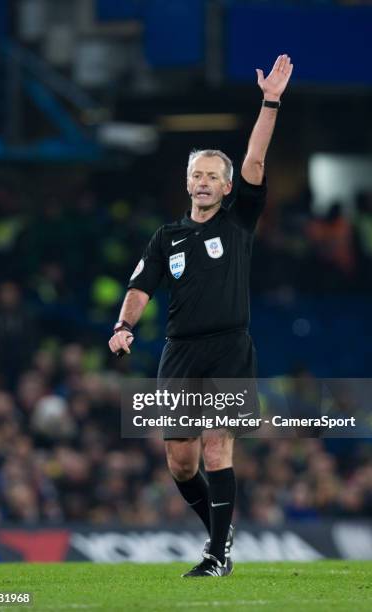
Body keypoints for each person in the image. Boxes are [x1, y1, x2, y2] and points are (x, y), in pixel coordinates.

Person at [109, 54, 294, 577]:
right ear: (187, 183)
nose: (205, 182)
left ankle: (216, 555)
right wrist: (124, 327)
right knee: (180, 461)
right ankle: (221, 534)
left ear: (228, 186)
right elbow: (140, 286)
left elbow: (255, 158)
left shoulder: (239, 223)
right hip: (180, 349)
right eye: (197, 175)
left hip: (229, 346)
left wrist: (270, 101)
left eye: (214, 175)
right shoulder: (166, 237)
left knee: (217, 447)